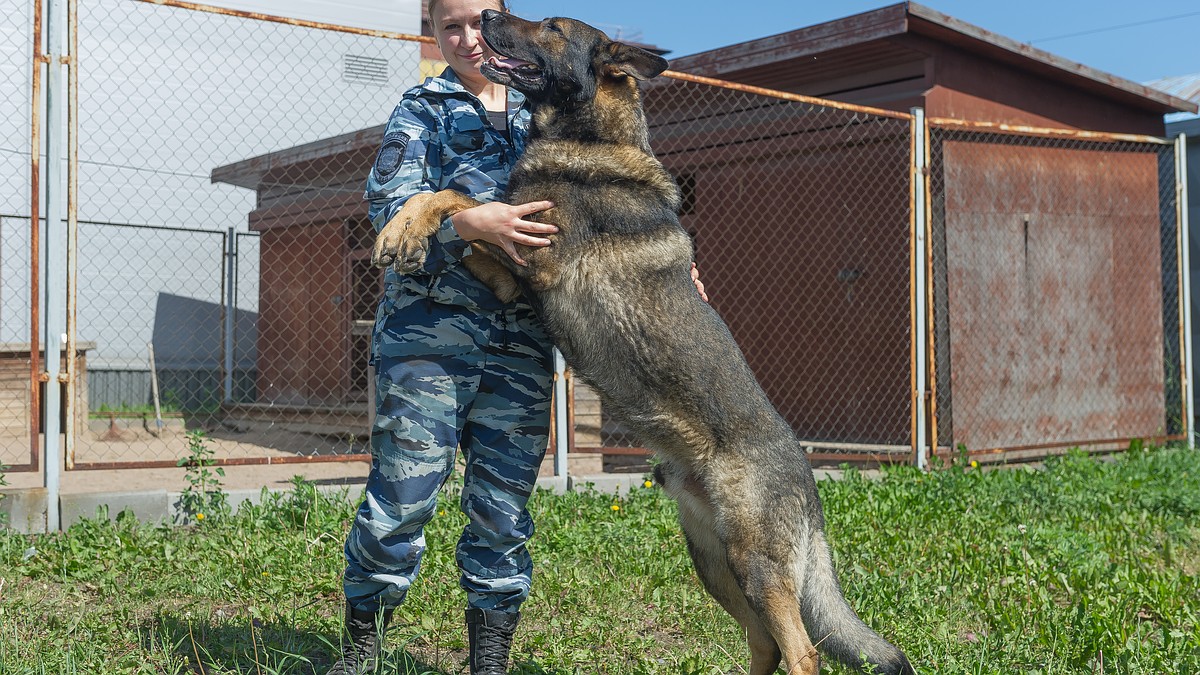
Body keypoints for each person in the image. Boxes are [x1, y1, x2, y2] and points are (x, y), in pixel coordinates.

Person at [329, 1, 705, 673]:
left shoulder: (549, 106)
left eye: (480, 21)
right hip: (427, 340)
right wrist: (473, 225)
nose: (468, 38)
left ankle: (490, 661)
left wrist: (679, 266)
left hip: (522, 345)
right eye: (451, 27)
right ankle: (360, 649)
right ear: (435, 36)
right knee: (402, 501)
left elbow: (618, 192)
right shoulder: (424, 109)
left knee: (502, 513)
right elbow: (389, 213)